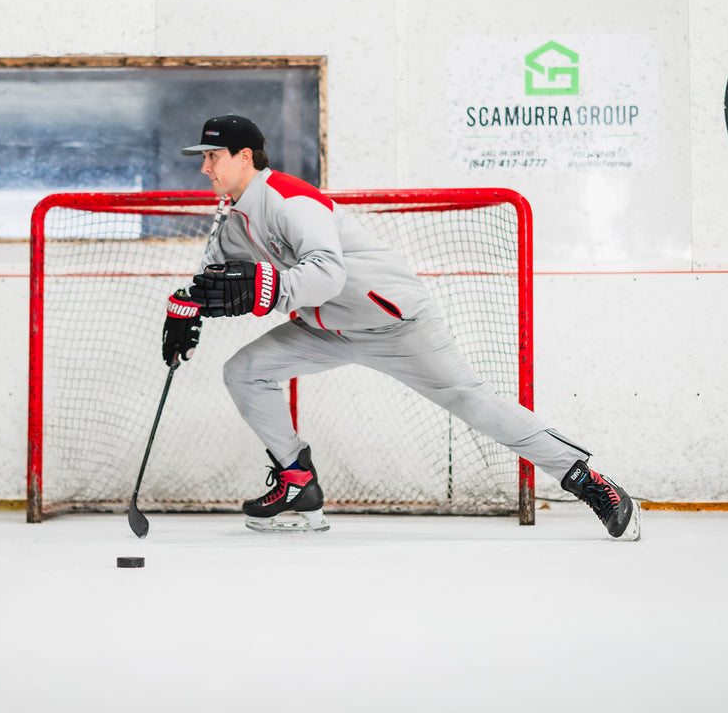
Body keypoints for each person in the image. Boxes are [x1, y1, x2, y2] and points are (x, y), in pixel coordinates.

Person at [161, 114, 641, 539]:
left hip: (396, 322)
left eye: (213, 155)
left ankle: (590, 481)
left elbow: (328, 272)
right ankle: (297, 482)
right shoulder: (232, 219)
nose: (205, 167)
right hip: (328, 330)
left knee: (471, 400)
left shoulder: (290, 198)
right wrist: (183, 312)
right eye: (202, 157)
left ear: (245, 156)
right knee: (244, 370)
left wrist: (267, 289)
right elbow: (209, 281)